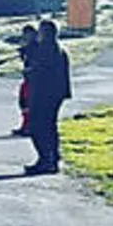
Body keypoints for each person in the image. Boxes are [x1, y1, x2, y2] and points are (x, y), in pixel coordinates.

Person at [25, 19, 71, 175]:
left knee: (38, 126)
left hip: (44, 93)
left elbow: (40, 70)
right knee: (50, 126)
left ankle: (46, 159)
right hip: (55, 93)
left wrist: (29, 71)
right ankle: (52, 158)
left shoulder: (46, 49)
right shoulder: (57, 48)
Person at [11, 24, 39, 137]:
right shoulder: (29, 47)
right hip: (28, 79)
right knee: (23, 102)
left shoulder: (38, 47)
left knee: (29, 103)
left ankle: (30, 127)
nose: (26, 36)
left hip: (34, 80)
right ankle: (25, 125)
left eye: (29, 33)